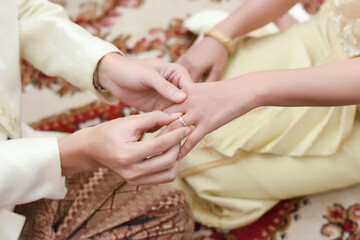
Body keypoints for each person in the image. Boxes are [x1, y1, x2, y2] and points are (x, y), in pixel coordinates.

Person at [1, 0, 194, 239]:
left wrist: (105, 66)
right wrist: (78, 152)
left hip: (18, 152)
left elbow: (19, 10)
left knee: (165, 206)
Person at [161, 0, 360, 230]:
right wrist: (220, 35)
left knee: (212, 183)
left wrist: (251, 89)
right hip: (332, 31)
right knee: (175, 111)